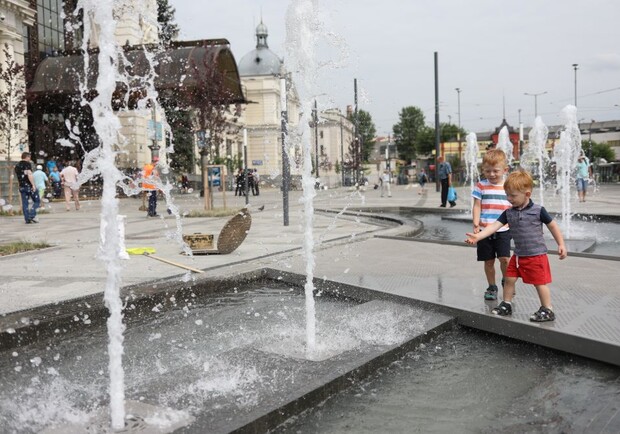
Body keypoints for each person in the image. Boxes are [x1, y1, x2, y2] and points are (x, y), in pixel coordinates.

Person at [465, 170, 567, 322]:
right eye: (507, 195)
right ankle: (506, 304)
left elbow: (552, 226)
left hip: (536, 255)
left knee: (539, 283)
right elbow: (494, 226)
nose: (509, 199)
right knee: (509, 278)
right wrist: (478, 236)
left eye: (512, 196)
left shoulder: (538, 210)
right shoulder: (509, 213)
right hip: (518, 255)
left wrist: (561, 244)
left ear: (527, 194)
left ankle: (547, 309)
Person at [471, 149, 512, 301]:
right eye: (488, 171)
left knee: (505, 259)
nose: (492, 174)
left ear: (505, 170)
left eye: (496, 171)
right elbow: (477, 205)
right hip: (484, 230)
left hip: (503, 229)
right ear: (483, 170)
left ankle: (506, 281)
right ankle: (492, 286)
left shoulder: (508, 186)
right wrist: (475, 223)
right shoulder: (481, 186)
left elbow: (514, 204)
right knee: (488, 260)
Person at [14, 152, 40, 224]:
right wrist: (33, 185)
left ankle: (27, 219)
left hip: (22, 186)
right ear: (27, 157)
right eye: (29, 157)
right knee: (37, 201)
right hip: (29, 185)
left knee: (25, 203)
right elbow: (29, 174)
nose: (30, 158)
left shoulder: (17, 165)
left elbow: (19, 176)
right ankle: (32, 215)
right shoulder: (27, 164)